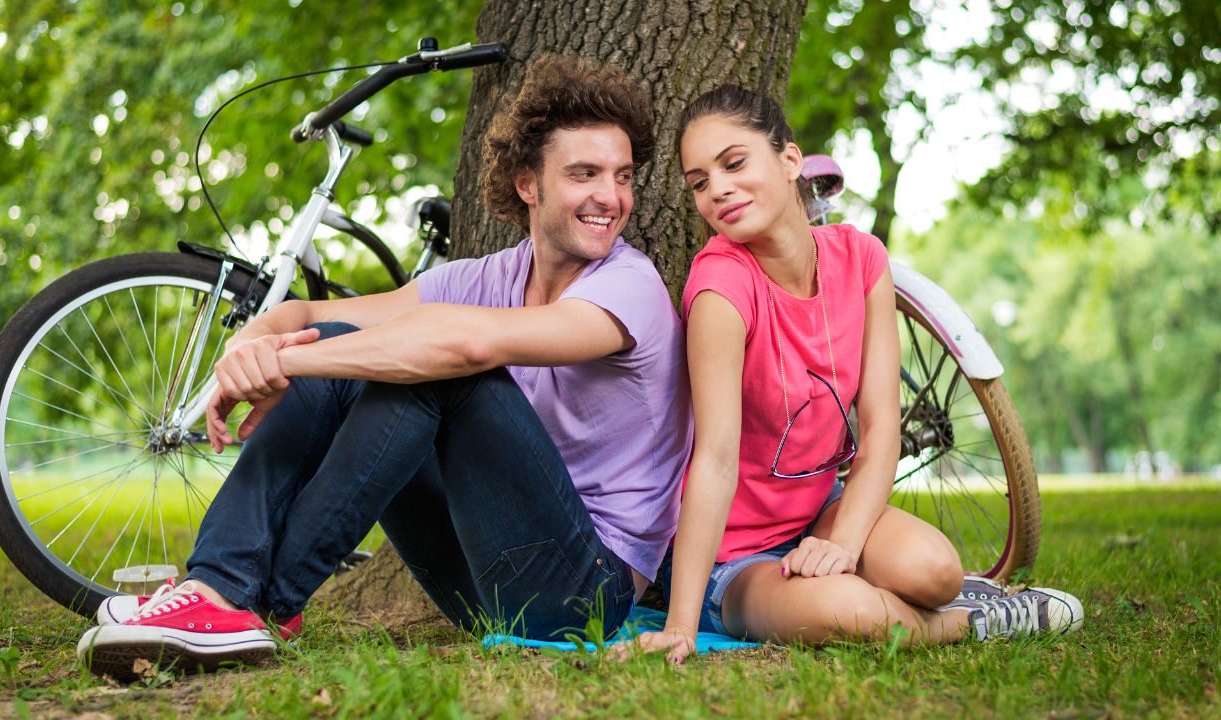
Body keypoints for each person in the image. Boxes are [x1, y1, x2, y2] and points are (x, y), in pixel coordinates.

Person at [76, 56, 691, 680]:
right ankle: (220, 589)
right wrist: (250, 348)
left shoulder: (631, 287)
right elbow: (311, 311)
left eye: (622, 176)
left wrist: (294, 362)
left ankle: (249, 603)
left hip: (586, 595)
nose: (610, 198)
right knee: (356, 344)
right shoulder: (485, 277)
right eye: (584, 174)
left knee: (437, 368)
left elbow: (466, 349)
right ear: (528, 184)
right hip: (480, 581)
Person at [621, 85, 1082, 663]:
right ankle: (976, 619)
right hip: (733, 555)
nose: (718, 189)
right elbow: (713, 460)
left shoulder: (862, 259)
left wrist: (840, 543)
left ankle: (943, 598)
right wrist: (681, 625)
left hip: (821, 510)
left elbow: (881, 427)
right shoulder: (720, 287)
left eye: (734, 163)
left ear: (790, 161)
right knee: (864, 615)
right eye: (698, 182)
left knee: (936, 570)